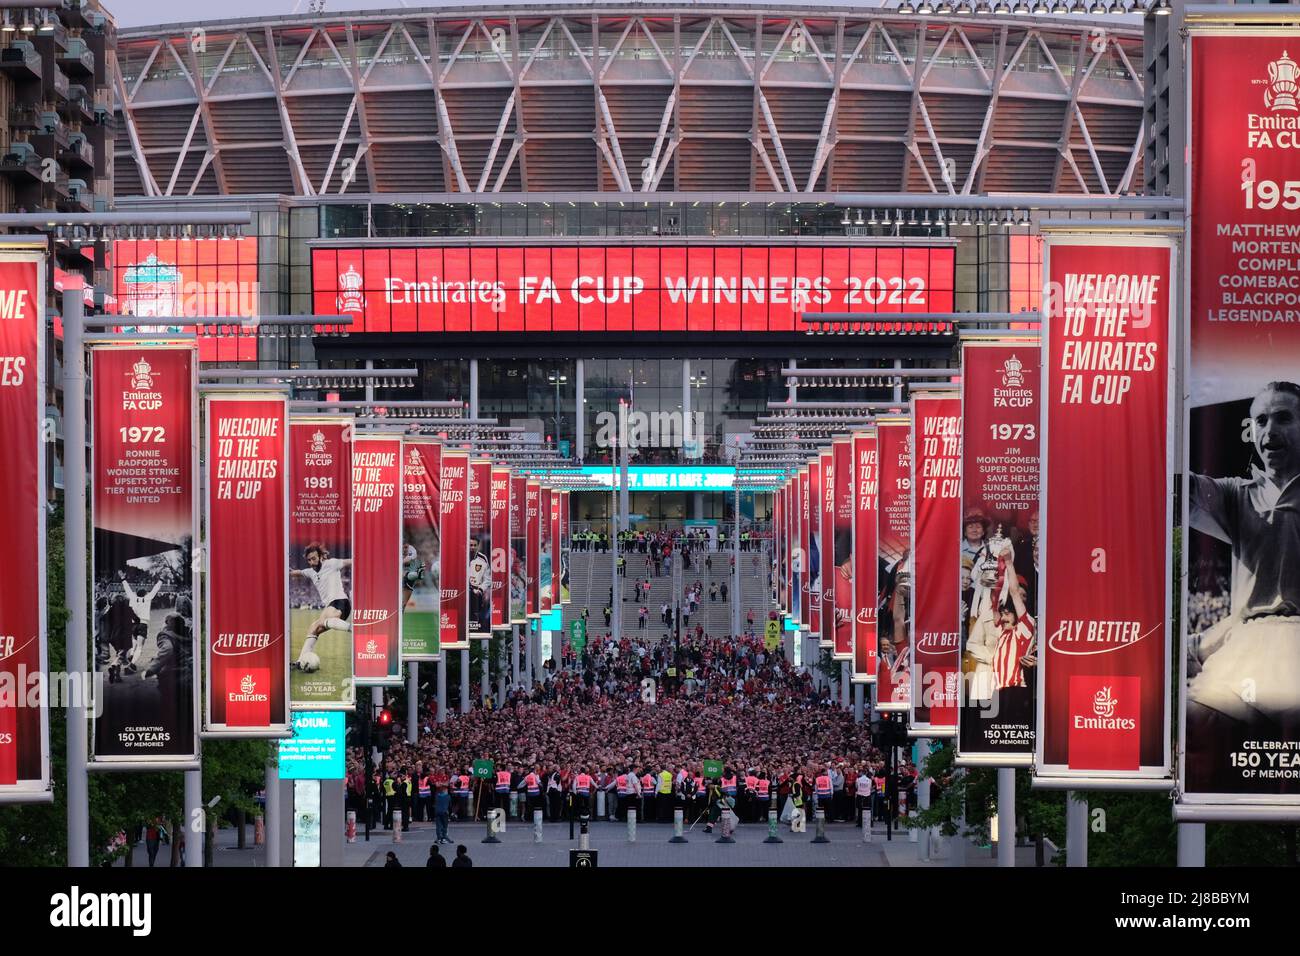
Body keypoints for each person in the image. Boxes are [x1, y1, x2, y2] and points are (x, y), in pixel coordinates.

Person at [1186, 381, 1300, 792]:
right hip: (1251, 645)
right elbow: (1179, 488)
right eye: (1261, 421)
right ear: (1248, 432)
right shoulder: (1238, 494)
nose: (1271, 431)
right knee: (1194, 721)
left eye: (1284, 417)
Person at [289, 544, 353, 670]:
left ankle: (355, 629)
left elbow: (350, 561)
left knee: (322, 621)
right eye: (309, 560)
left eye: (314, 558)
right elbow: (297, 573)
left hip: (341, 602)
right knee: (313, 628)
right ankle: (300, 662)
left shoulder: (331, 564)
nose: (311, 562)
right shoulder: (310, 572)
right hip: (330, 605)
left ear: (320, 557)